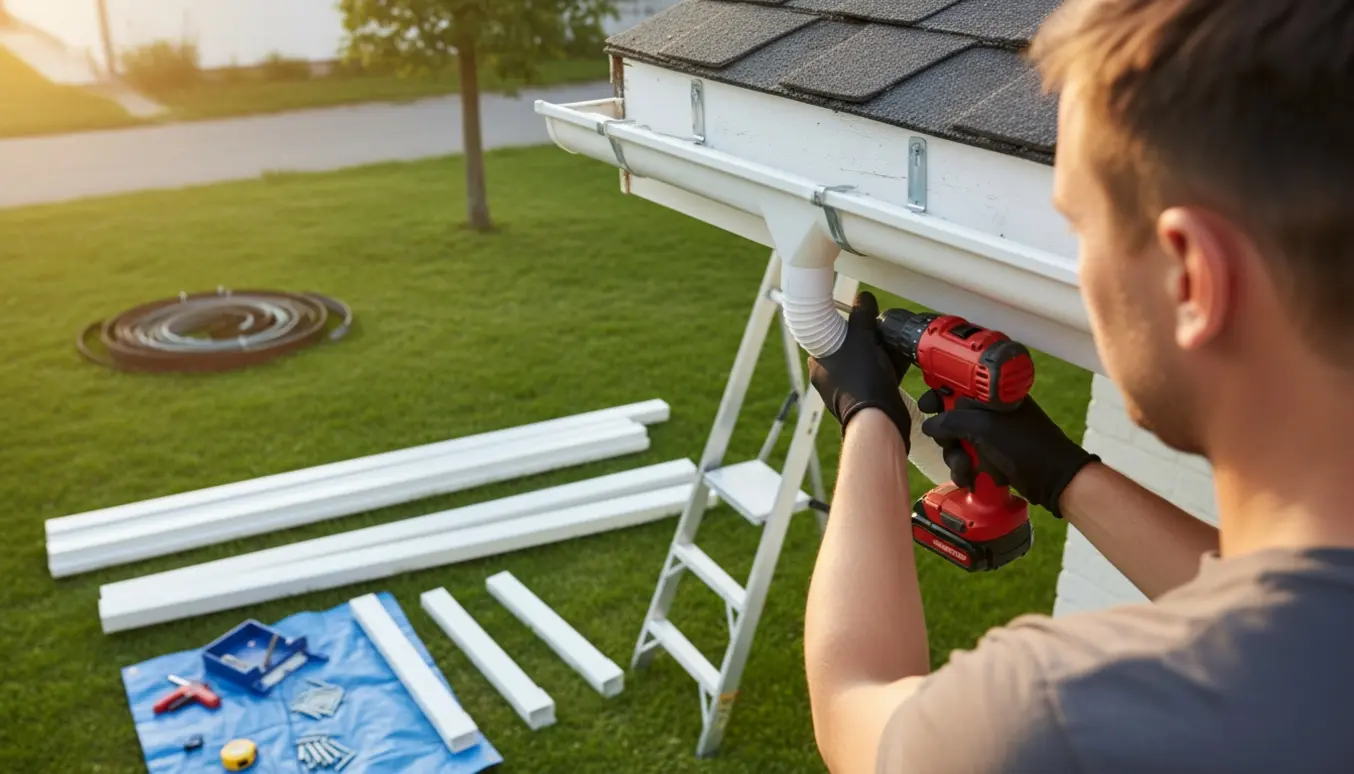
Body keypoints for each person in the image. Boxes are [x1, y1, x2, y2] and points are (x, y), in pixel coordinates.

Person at [801, 1, 1354, 772]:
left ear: (1192, 277)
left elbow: (852, 704)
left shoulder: (1060, 720)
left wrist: (868, 417)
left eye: (1081, 225)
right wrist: (1066, 476)